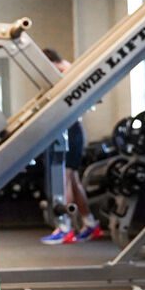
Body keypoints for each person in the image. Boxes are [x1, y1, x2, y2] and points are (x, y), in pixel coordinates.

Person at [37, 48, 102, 245]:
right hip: (70, 127)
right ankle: (90, 223)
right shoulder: (67, 71)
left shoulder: (65, 71)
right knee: (73, 179)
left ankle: (64, 226)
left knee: (64, 178)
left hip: (71, 129)